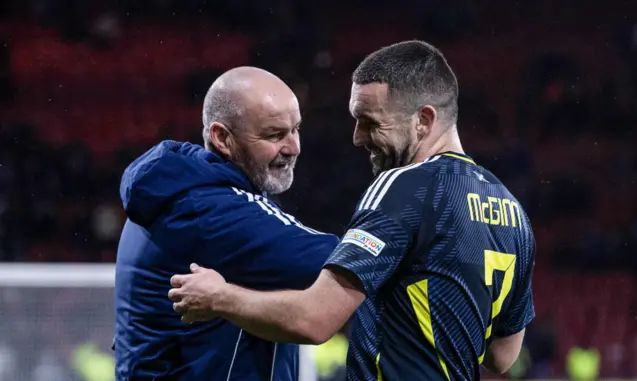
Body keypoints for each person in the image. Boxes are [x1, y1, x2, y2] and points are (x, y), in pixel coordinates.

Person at [169, 40, 536, 381]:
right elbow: (502, 355)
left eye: (371, 122)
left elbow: (314, 320)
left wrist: (219, 297)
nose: (357, 137)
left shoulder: (405, 187)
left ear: (423, 120)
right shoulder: (513, 211)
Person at [113, 66, 339, 380]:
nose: (294, 147)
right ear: (222, 137)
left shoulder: (183, 191)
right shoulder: (212, 211)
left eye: (296, 129)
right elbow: (348, 262)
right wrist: (402, 216)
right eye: (274, 134)